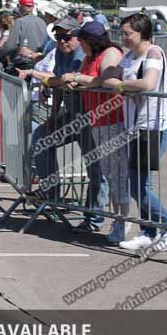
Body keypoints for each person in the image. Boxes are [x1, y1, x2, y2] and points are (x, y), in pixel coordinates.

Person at [19, 17, 109, 234]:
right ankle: (52, 196)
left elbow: (65, 81)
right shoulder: (60, 52)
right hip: (70, 115)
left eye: (66, 37)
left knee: (96, 170)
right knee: (41, 138)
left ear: (78, 37)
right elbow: (60, 82)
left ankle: (94, 219)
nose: (61, 41)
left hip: (91, 119)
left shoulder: (81, 54)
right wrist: (52, 115)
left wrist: (47, 79)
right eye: (58, 37)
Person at [98, 13, 167, 251]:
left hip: (151, 128)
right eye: (122, 33)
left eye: (127, 33)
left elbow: (148, 84)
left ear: (141, 33)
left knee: (138, 186)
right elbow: (108, 77)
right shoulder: (130, 56)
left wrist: (119, 86)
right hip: (133, 128)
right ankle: (149, 231)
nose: (123, 38)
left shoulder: (153, 53)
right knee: (140, 184)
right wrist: (84, 79)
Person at [58, 22, 129, 244]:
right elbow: (91, 81)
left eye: (82, 39)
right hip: (98, 119)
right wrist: (76, 82)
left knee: (118, 176)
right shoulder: (90, 57)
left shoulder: (110, 53)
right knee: (109, 173)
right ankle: (118, 220)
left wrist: (78, 79)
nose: (78, 42)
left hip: (113, 118)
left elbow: (105, 81)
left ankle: (123, 222)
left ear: (91, 40)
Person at [0, 0, 48, 74]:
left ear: (20, 6)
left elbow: (10, 46)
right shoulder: (42, 22)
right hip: (39, 64)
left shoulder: (20, 22)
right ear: (32, 7)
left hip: (22, 66)